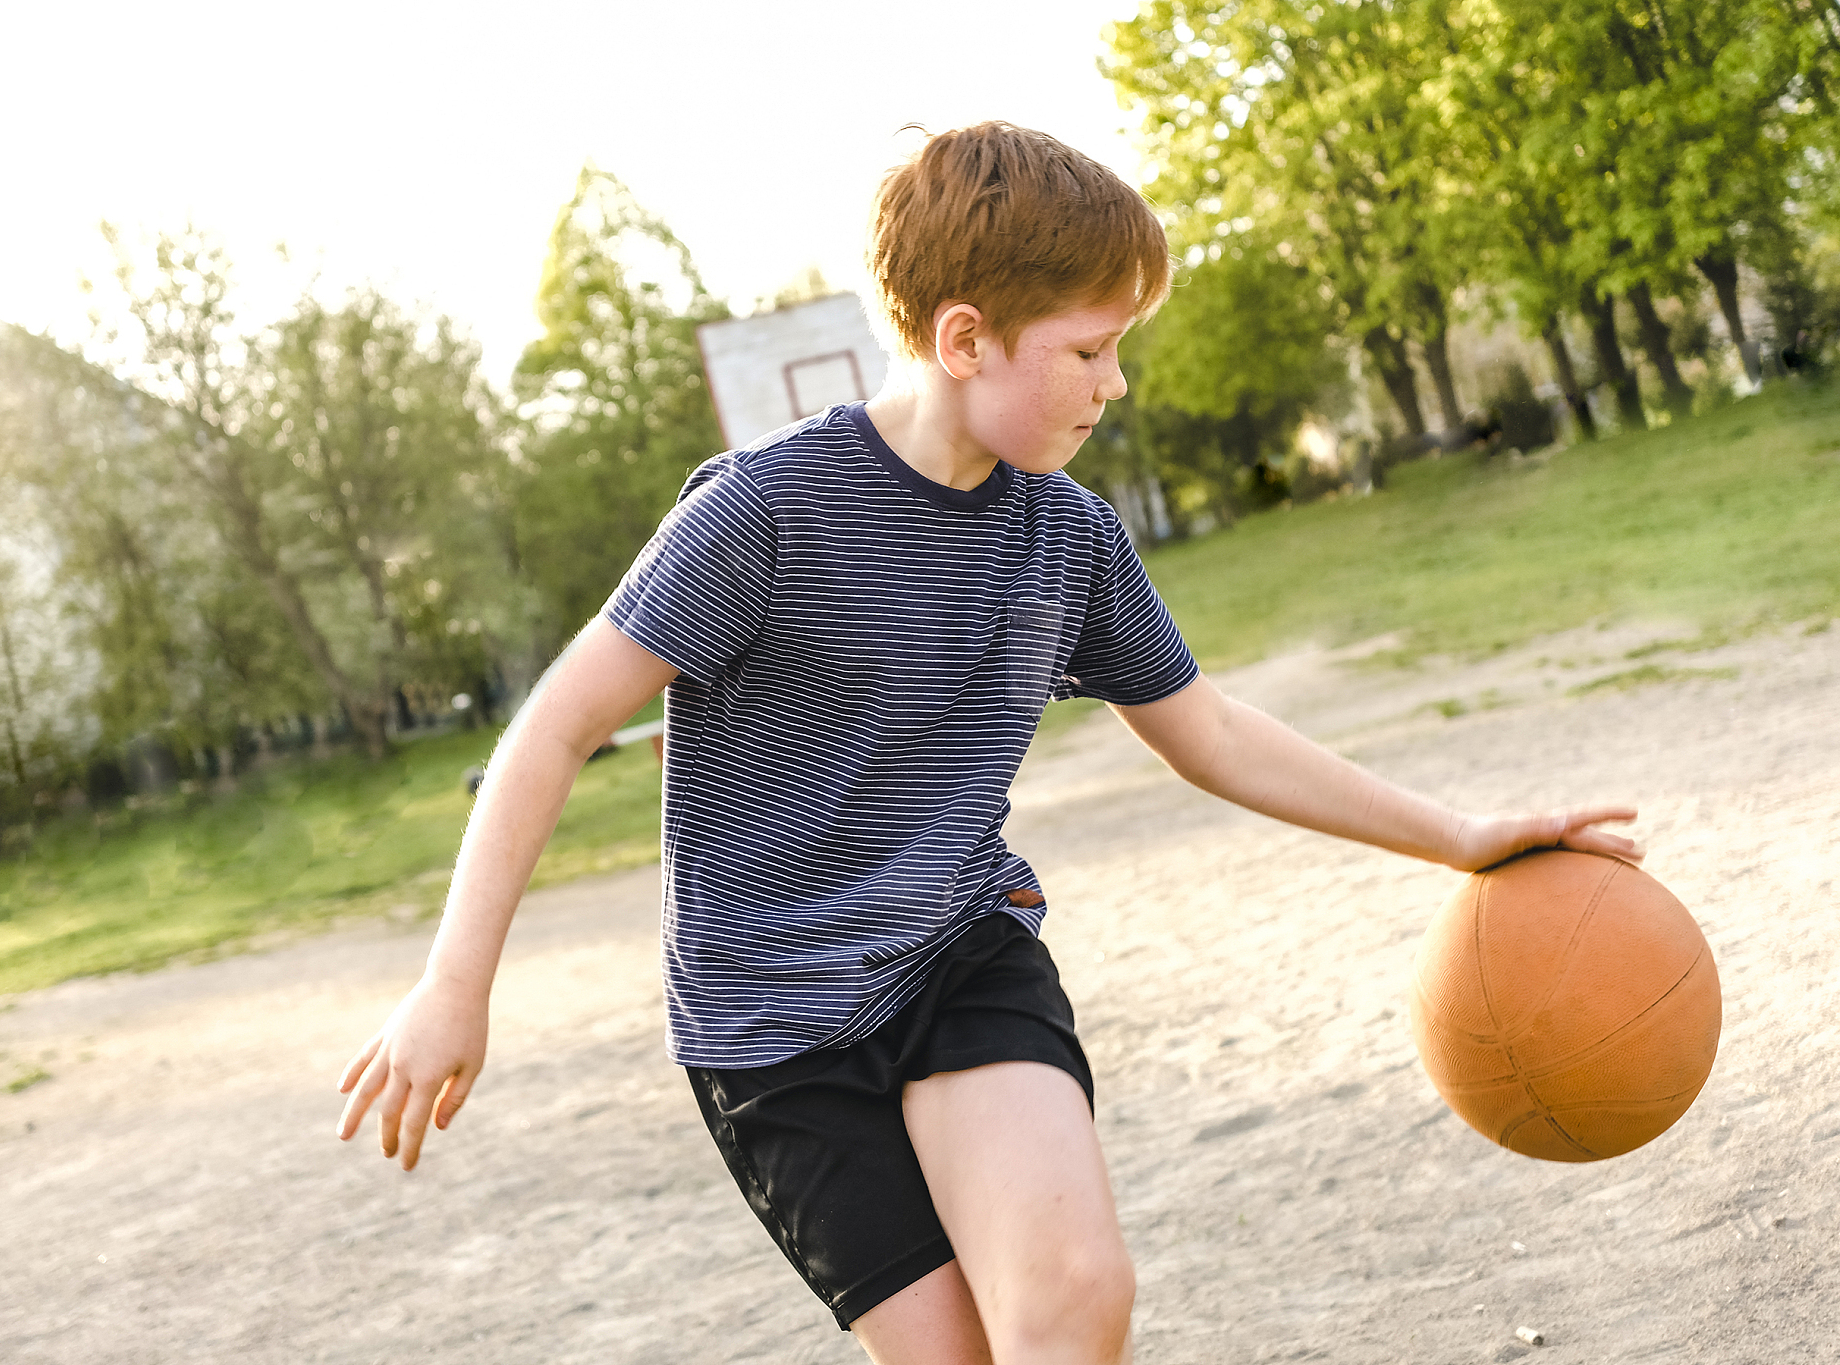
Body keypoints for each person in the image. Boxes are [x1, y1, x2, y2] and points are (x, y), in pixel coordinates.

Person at [335, 122, 1638, 1364]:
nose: (1115, 381)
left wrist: (1461, 837)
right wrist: (456, 983)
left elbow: (1217, 734)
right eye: (1090, 349)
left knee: (1075, 1293)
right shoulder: (762, 515)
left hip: (959, 951)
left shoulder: (1070, 538)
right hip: (771, 1028)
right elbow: (555, 728)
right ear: (965, 338)